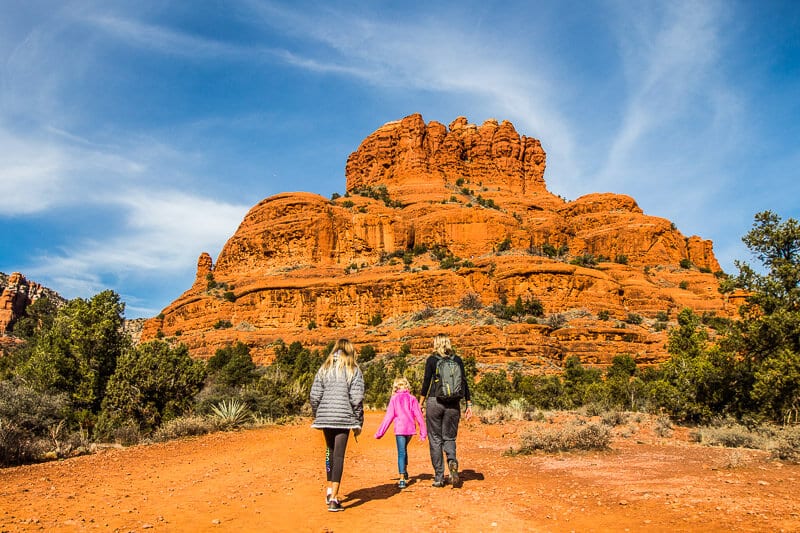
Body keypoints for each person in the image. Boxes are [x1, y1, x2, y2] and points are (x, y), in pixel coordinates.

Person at [310, 339, 365, 512]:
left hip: (326, 417)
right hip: (343, 418)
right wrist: (358, 421)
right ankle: (334, 498)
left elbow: (314, 395)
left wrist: (318, 413)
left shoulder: (324, 368)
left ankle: (328, 491)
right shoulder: (353, 370)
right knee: (339, 456)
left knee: (330, 451)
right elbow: (356, 399)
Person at [420, 333, 472, 488]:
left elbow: (426, 383)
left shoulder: (432, 360)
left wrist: (420, 403)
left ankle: (439, 477)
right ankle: (452, 461)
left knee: (435, 439)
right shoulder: (457, 360)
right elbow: (464, 383)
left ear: (436, 344)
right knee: (449, 438)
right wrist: (468, 404)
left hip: (435, 401)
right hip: (454, 404)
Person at [374, 376, 427, 489]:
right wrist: (423, 432)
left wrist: (380, 433)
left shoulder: (394, 399)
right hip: (410, 429)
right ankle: (405, 471)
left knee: (401, 452)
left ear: (396, 387)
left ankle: (402, 479)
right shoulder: (412, 398)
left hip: (400, 429)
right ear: (406, 386)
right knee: (404, 450)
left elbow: (388, 417)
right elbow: (419, 416)